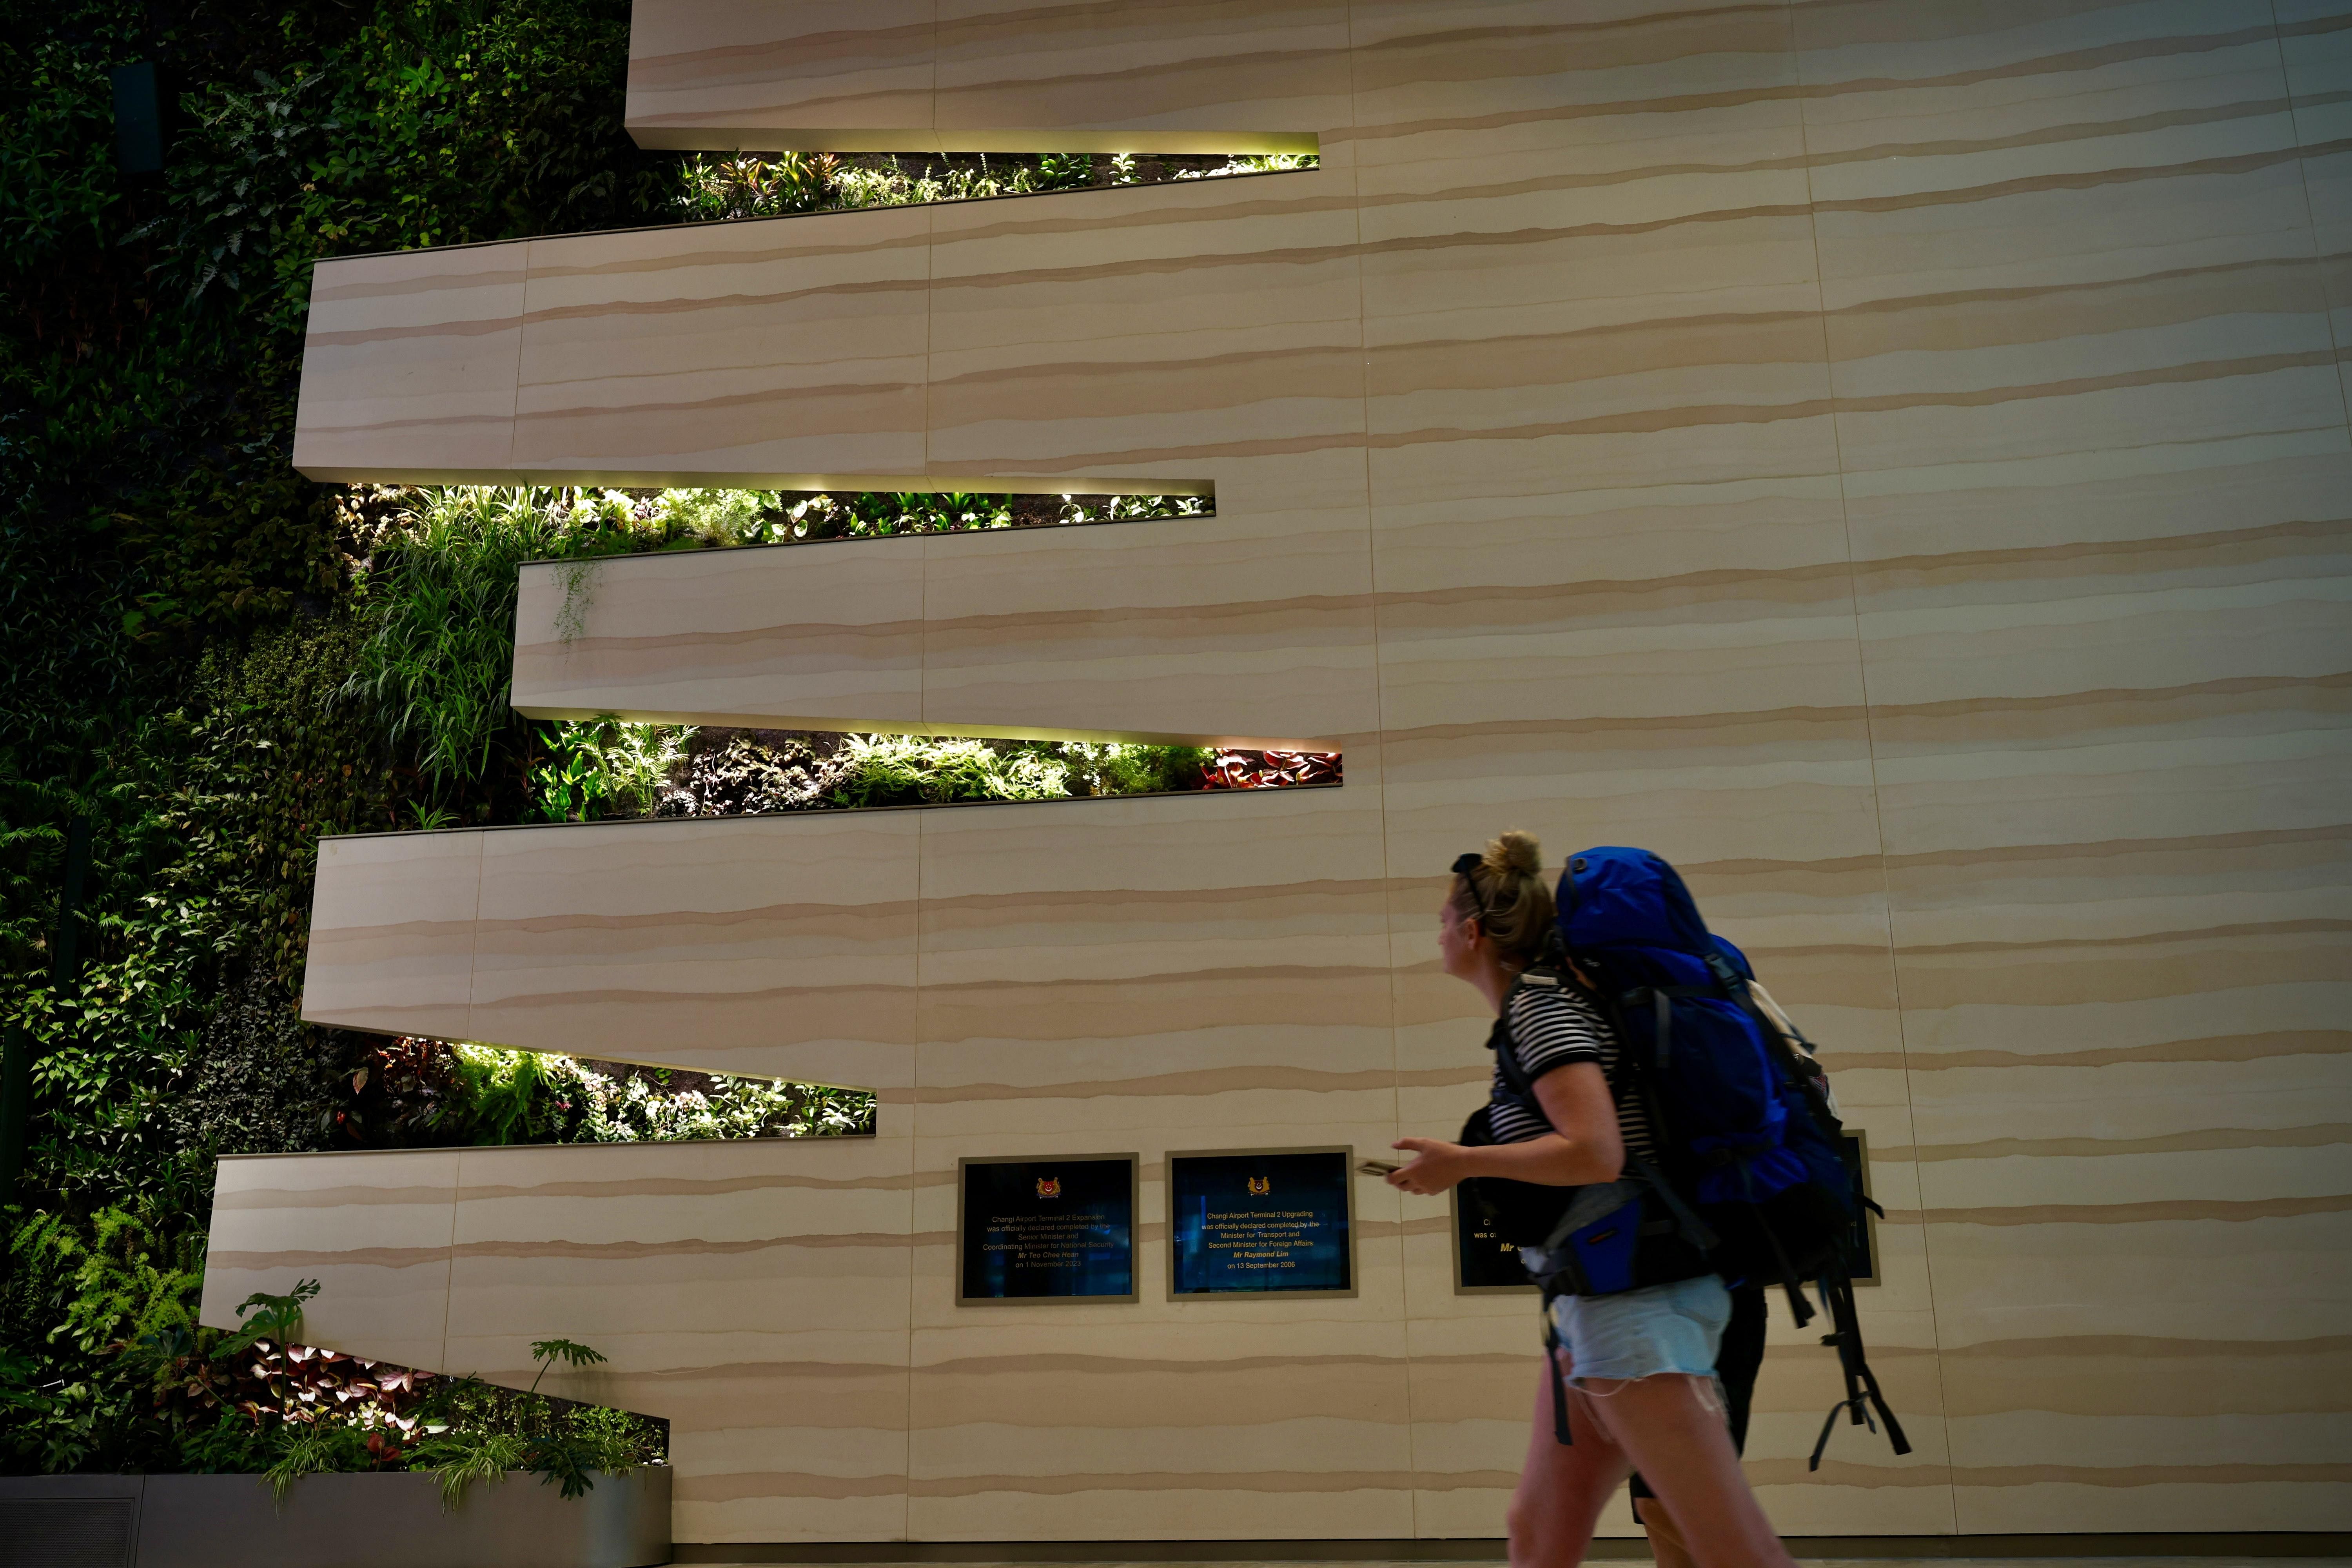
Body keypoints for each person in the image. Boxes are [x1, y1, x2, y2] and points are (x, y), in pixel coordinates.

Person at [1386, 830, 1794, 1568]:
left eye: (1442, 921)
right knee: (1537, 1534)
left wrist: (1462, 1163)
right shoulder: (1544, 1005)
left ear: (1472, 931)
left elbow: (1595, 1153)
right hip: (1595, 1307)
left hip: (1636, 1309)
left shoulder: (1539, 1009)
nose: (1437, 935)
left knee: (1737, 1553)